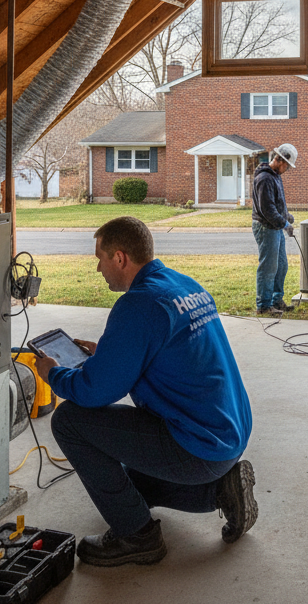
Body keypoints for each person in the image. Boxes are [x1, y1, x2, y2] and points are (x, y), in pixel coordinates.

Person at [36, 216, 257, 567]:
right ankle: (220, 492)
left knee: (69, 422)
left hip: (197, 446)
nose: (97, 268)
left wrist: (54, 374)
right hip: (226, 436)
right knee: (127, 487)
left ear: (120, 258)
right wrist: (109, 354)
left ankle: (137, 537)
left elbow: (96, 392)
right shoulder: (182, 285)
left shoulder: (138, 304)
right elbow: (161, 353)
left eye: (100, 258)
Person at [251, 143, 298, 316]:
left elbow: (277, 202)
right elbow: (267, 209)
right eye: (287, 165)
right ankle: (263, 305)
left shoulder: (275, 176)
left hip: (275, 226)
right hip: (266, 227)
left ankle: (276, 300)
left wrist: (286, 215)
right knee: (268, 267)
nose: (287, 169)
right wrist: (285, 224)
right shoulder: (264, 178)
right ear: (279, 160)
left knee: (281, 265)